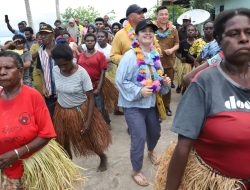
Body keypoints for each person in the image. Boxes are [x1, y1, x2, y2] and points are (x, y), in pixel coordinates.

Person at [155, 8, 250, 190]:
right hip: (219, 183)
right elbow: (183, 147)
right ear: (220, 40)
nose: (244, 38)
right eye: (233, 33)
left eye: (249, 32)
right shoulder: (204, 82)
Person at [0, 51, 84, 189]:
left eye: (8, 68)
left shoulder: (33, 96)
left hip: (33, 166)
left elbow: (47, 134)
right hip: (6, 169)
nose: (2, 72)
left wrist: (16, 153)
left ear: (20, 71)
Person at [116, 19, 171, 187]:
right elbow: (120, 81)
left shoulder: (155, 56)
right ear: (137, 36)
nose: (148, 33)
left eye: (151, 31)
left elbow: (157, 80)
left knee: (155, 133)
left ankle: (151, 151)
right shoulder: (129, 56)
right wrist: (139, 91)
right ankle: (136, 170)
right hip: (133, 106)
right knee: (139, 137)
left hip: (151, 104)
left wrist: (164, 83)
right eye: (144, 31)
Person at [51, 42, 111, 172]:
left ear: (71, 58)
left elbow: (90, 98)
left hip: (80, 111)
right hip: (61, 111)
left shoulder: (81, 73)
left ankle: (102, 156)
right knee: (63, 142)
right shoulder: (55, 70)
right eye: (59, 64)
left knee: (88, 141)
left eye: (65, 64)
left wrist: (88, 121)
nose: (62, 68)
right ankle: (69, 165)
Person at [77, 33, 111, 126]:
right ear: (85, 42)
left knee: (100, 107)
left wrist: (98, 89)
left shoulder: (100, 55)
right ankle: (94, 125)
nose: (90, 42)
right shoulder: (80, 56)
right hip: (83, 87)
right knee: (87, 108)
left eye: (92, 41)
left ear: (95, 42)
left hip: (95, 85)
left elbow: (103, 72)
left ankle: (106, 123)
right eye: (88, 41)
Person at [155, 5, 179, 116]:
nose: (164, 16)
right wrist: (155, 52)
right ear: (157, 16)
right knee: (155, 85)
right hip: (155, 64)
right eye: (161, 14)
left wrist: (172, 49)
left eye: (166, 14)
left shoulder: (173, 29)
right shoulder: (152, 28)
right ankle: (156, 108)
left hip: (169, 62)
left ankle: (166, 106)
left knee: (167, 85)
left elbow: (177, 44)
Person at [36, 24, 57, 118]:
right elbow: (41, 71)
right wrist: (44, 87)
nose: (43, 36)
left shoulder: (61, 48)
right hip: (49, 91)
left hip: (63, 91)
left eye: (46, 34)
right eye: (41, 34)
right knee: (51, 117)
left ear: (52, 34)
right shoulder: (40, 52)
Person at [175, 24, 196, 94]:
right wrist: (180, 58)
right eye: (188, 30)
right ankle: (181, 86)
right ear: (186, 32)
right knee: (182, 77)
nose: (190, 32)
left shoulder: (199, 42)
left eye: (192, 30)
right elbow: (176, 53)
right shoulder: (182, 42)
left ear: (196, 32)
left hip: (194, 65)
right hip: (184, 64)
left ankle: (185, 88)